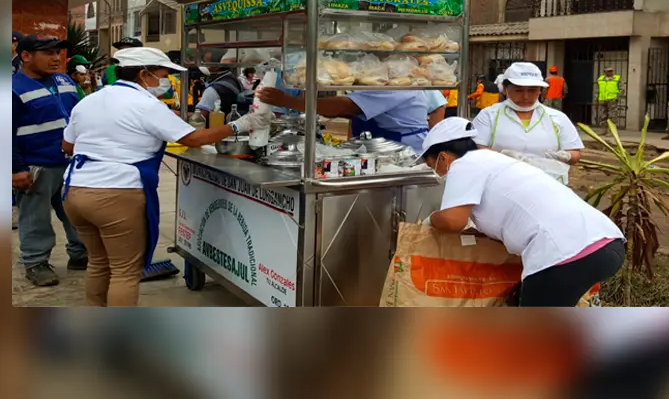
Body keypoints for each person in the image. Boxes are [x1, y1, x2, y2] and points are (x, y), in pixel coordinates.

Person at [61, 47, 272, 306]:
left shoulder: (90, 100)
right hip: (116, 193)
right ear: (143, 74)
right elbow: (191, 138)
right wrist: (241, 124)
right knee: (125, 271)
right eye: (162, 74)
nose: (165, 81)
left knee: (99, 262)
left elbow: (68, 146)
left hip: (76, 191)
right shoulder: (146, 105)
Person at [420, 117, 625, 307]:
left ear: (443, 157)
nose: (436, 172)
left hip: (564, 256)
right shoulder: (494, 161)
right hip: (607, 245)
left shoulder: (463, 165)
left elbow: (452, 221)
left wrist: (431, 220)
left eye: (433, 165)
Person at [12, 35, 88, 287]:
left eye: (58, 53)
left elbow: (79, 115)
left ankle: (80, 255)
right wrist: (16, 168)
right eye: (48, 53)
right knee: (36, 218)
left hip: (71, 163)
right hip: (36, 165)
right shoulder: (13, 89)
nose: (56, 58)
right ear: (26, 56)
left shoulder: (65, 81)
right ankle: (35, 262)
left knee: (77, 212)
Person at [471, 63, 584, 185]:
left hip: (549, 187)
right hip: (502, 186)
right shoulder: (489, 115)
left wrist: (566, 156)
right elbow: (475, 149)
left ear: (540, 91)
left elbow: (575, 153)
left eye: (532, 91)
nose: (525, 97)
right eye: (518, 90)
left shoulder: (557, 118)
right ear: (505, 89)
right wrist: (501, 156)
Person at [258, 88, 435, 153]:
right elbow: (351, 111)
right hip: (383, 146)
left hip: (404, 152)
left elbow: (346, 106)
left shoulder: (397, 87)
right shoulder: (384, 85)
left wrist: (288, 101)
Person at [596, 66, 622, 134]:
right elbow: (598, 90)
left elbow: (622, 89)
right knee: (603, 115)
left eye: (611, 71)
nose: (610, 72)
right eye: (608, 71)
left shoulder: (616, 78)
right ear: (604, 72)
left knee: (612, 116)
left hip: (612, 99)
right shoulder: (600, 79)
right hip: (602, 99)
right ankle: (603, 130)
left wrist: (617, 97)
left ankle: (611, 131)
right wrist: (596, 98)